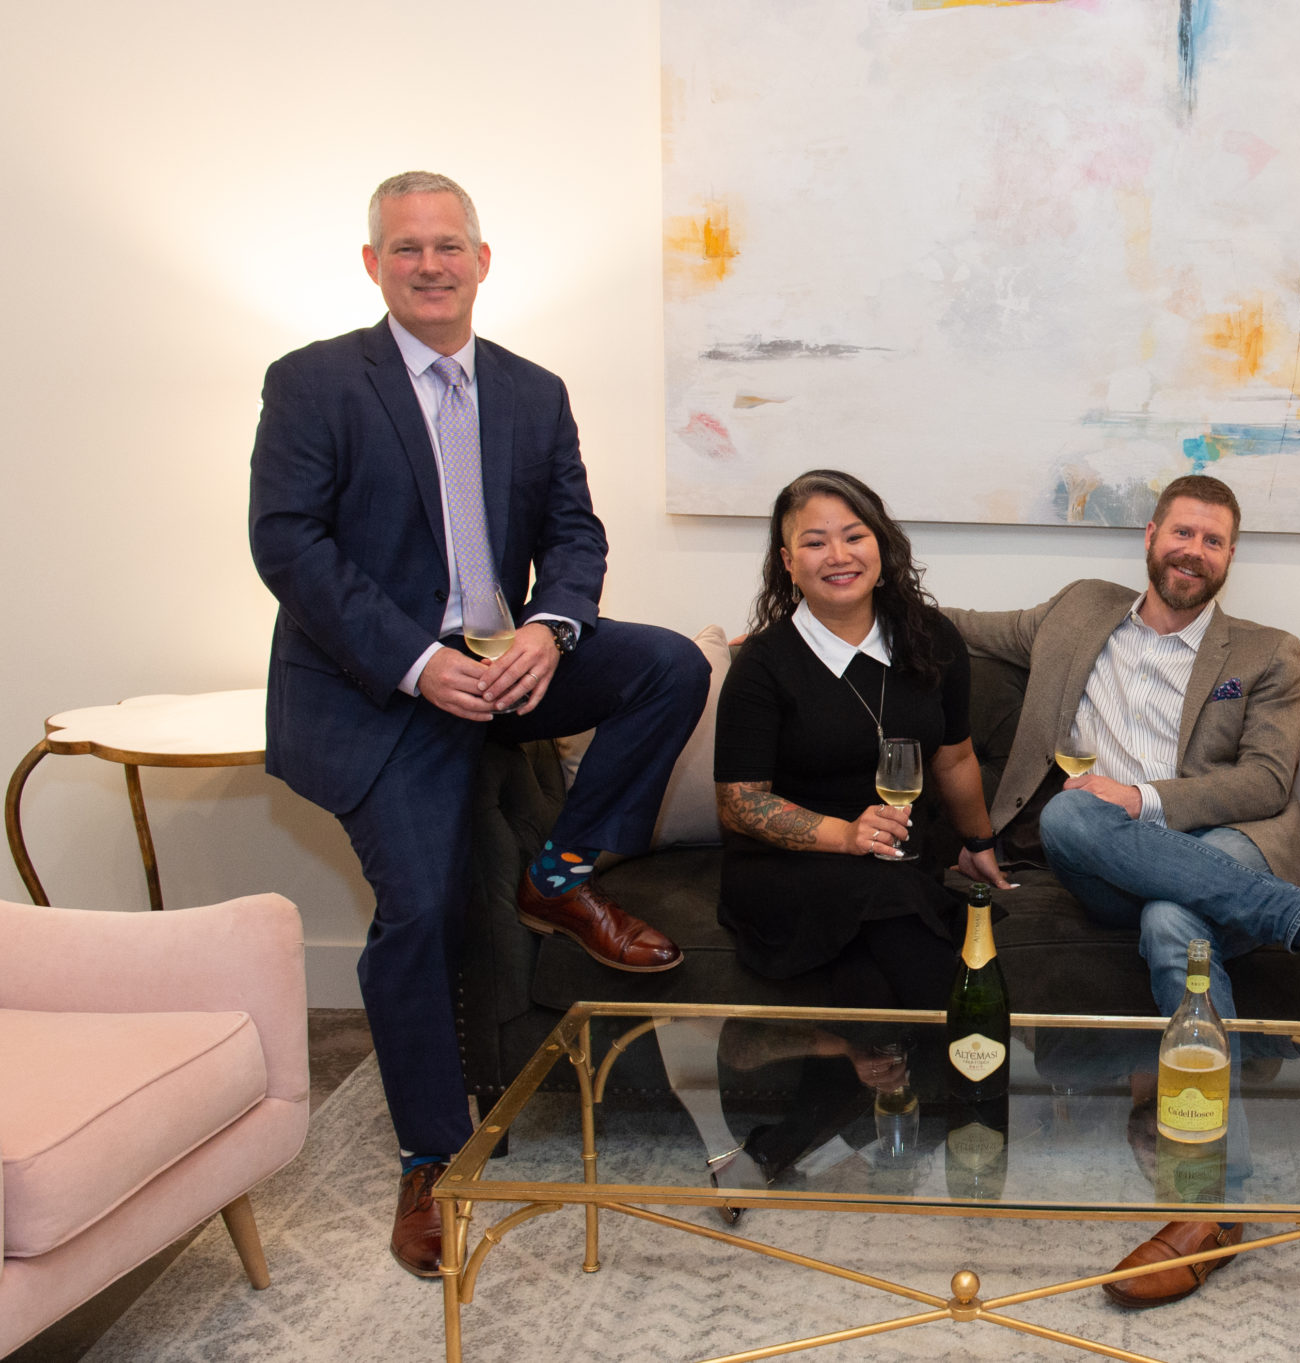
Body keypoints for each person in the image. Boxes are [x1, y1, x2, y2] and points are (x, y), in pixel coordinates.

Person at [248, 172, 712, 1278]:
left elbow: (575, 532)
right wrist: (418, 666)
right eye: (405, 248)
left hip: (508, 663)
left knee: (667, 667)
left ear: (481, 259)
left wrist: (553, 625)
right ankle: (431, 1154)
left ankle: (556, 871)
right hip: (384, 685)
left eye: (447, 245)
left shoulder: (533, 391)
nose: (429, 264)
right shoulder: (315, 382)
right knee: (417, 910)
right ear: (373, 265)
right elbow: (289, 546)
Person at [947, 473, 1300, 1307]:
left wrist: (1143, 798)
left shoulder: (1265, 652)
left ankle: (1206, 1203)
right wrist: (809, 622)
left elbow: (1263, 781)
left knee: (1172, 922)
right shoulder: (1078, 609)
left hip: (1226, 849)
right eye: (1182, 533)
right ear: (1150, 535)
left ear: (1230, 556)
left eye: (1213, 540)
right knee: (1073, 819)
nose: (1194, 551)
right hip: (1101, 854)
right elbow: (957, 627)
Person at [712, 469, 1010, 1010]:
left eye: (854, 536)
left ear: (881, 544)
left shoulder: (931, 638)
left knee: (877, 954)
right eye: (814, 542)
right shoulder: (762, 664)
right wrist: (847, 836)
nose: (838, 555)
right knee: (893, 909)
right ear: (788, 563)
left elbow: (956, 755)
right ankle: (971, 1062)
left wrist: (979, 843)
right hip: (790, 867)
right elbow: (740, 804)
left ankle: (872, 1063)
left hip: (895, 855)